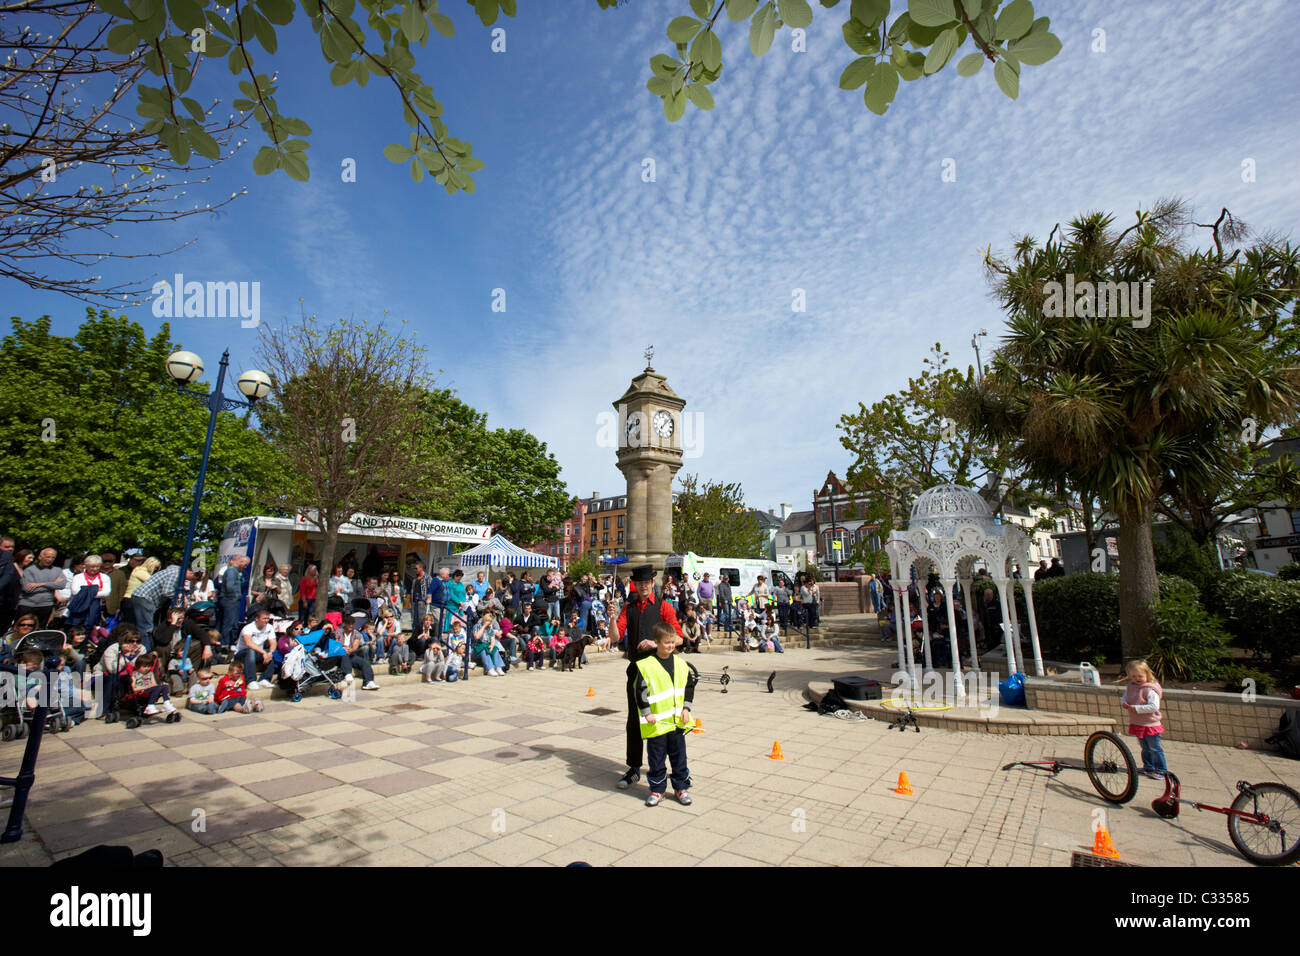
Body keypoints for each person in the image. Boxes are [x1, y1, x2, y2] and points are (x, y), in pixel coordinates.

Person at [613, 564, 683, 791]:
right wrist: (612, 619)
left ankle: (671, 772)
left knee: (664, 721)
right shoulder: (629, 607)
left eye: (646, 583)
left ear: (653, 583)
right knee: (634, 720)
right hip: (636, 671)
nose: (643, 587)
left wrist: (656, 643)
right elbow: (615, 637)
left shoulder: (664, 607)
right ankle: (633, 767)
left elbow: (679, 638)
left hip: (660, 672)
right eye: (639, 584)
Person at [634, 621, 697, 807]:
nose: (670, 646)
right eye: (666, 642)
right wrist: (647, 713)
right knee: (656, 759)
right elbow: (640, 691)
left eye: (672, 642)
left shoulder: (680, 663)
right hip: (656, 723)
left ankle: (681, 787)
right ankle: (657, 790)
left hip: (677, 722)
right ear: (656, 642)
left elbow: (688, 687)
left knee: (679, 757)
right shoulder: (646, 665)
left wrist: (686, 708)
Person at [1121, 660, 1167, 779]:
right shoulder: (1131, 687)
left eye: (1140, 676)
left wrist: (1136, 708)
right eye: (1133, 676)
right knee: (1145, 747)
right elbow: (1125, 697)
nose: (1137, 679)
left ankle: (1161, 770)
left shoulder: (1150, 689)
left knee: (1154, 747)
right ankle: (1148, 766)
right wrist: (1124, 703)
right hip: (1138, 723)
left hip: (1150, 724)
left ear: (1147, 674)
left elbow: (1154, 706)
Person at [16, 547, 66, 628]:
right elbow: (27, 589)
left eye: (53, 557)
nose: (50, 559)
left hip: (46, 605)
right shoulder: (29, 570)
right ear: (40, 557)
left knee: (39, 630)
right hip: (28, 605)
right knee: (22, 628)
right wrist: (53, 584)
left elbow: (62, 585)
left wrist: (41, 584)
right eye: (48, 557)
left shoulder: (57, 570)